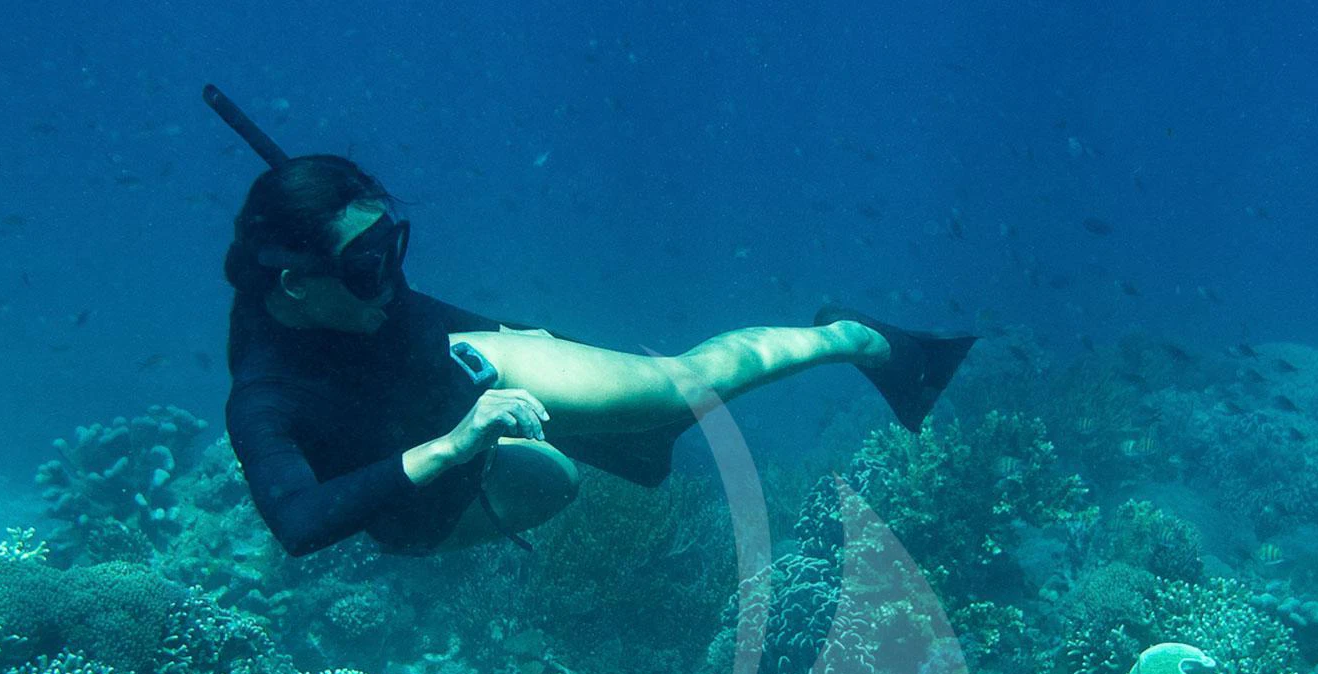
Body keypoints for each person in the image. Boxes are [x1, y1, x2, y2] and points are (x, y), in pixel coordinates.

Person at [220, 152, 972, 557]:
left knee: (679, 391)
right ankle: (566, 434)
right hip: (422, 497)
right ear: (294, 286)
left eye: (395, 248)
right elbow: (298, 522)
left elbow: (411, 317)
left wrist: (514, 333)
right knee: (557, 480)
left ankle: (860, 340)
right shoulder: (266, 392)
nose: (390, 277)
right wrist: (456, 444)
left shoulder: (365, 293)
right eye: (364, 267)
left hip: (450, 378)